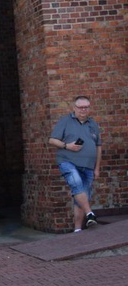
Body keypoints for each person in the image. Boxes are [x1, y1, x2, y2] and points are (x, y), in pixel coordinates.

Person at [48, 95, 102, 232]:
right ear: (74, 108)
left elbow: (98, 147)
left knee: (81, 196)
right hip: (68, 161)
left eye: (86, 107)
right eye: (80, 107)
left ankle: (77, 230)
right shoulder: (65, 121)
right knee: (76, 183)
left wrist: (97, 168)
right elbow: (52, 140)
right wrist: (67, 146)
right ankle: (90, 213)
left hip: (89, 165)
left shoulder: (93, 124)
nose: (83, 110)